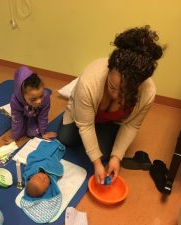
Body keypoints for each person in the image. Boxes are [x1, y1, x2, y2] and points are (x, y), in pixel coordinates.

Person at [57, 25, 164, 185]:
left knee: (106, 154)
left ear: (139, 85)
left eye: (124, 92)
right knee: (65, 138)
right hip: (84, 115)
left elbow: (131, 126)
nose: (115, 95)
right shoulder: (90, 81)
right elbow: (85, 126)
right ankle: (79, 112)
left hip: (109, 121)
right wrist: (97, 163)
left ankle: (105, 135)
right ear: (108, 72)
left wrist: (117, 157)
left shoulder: (147, 92)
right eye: (112, 87)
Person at [6, 66, 57, 143]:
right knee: (19, 132)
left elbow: (43, 116)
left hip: (34, 115)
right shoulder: (15, 100)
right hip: (23, 115)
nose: (39, 101)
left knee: (32, 133)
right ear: (22, 95)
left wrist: (43, 132)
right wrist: (14, 137)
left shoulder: (45, 96)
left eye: (40, 96)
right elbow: (16, 120)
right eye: (33, 99)